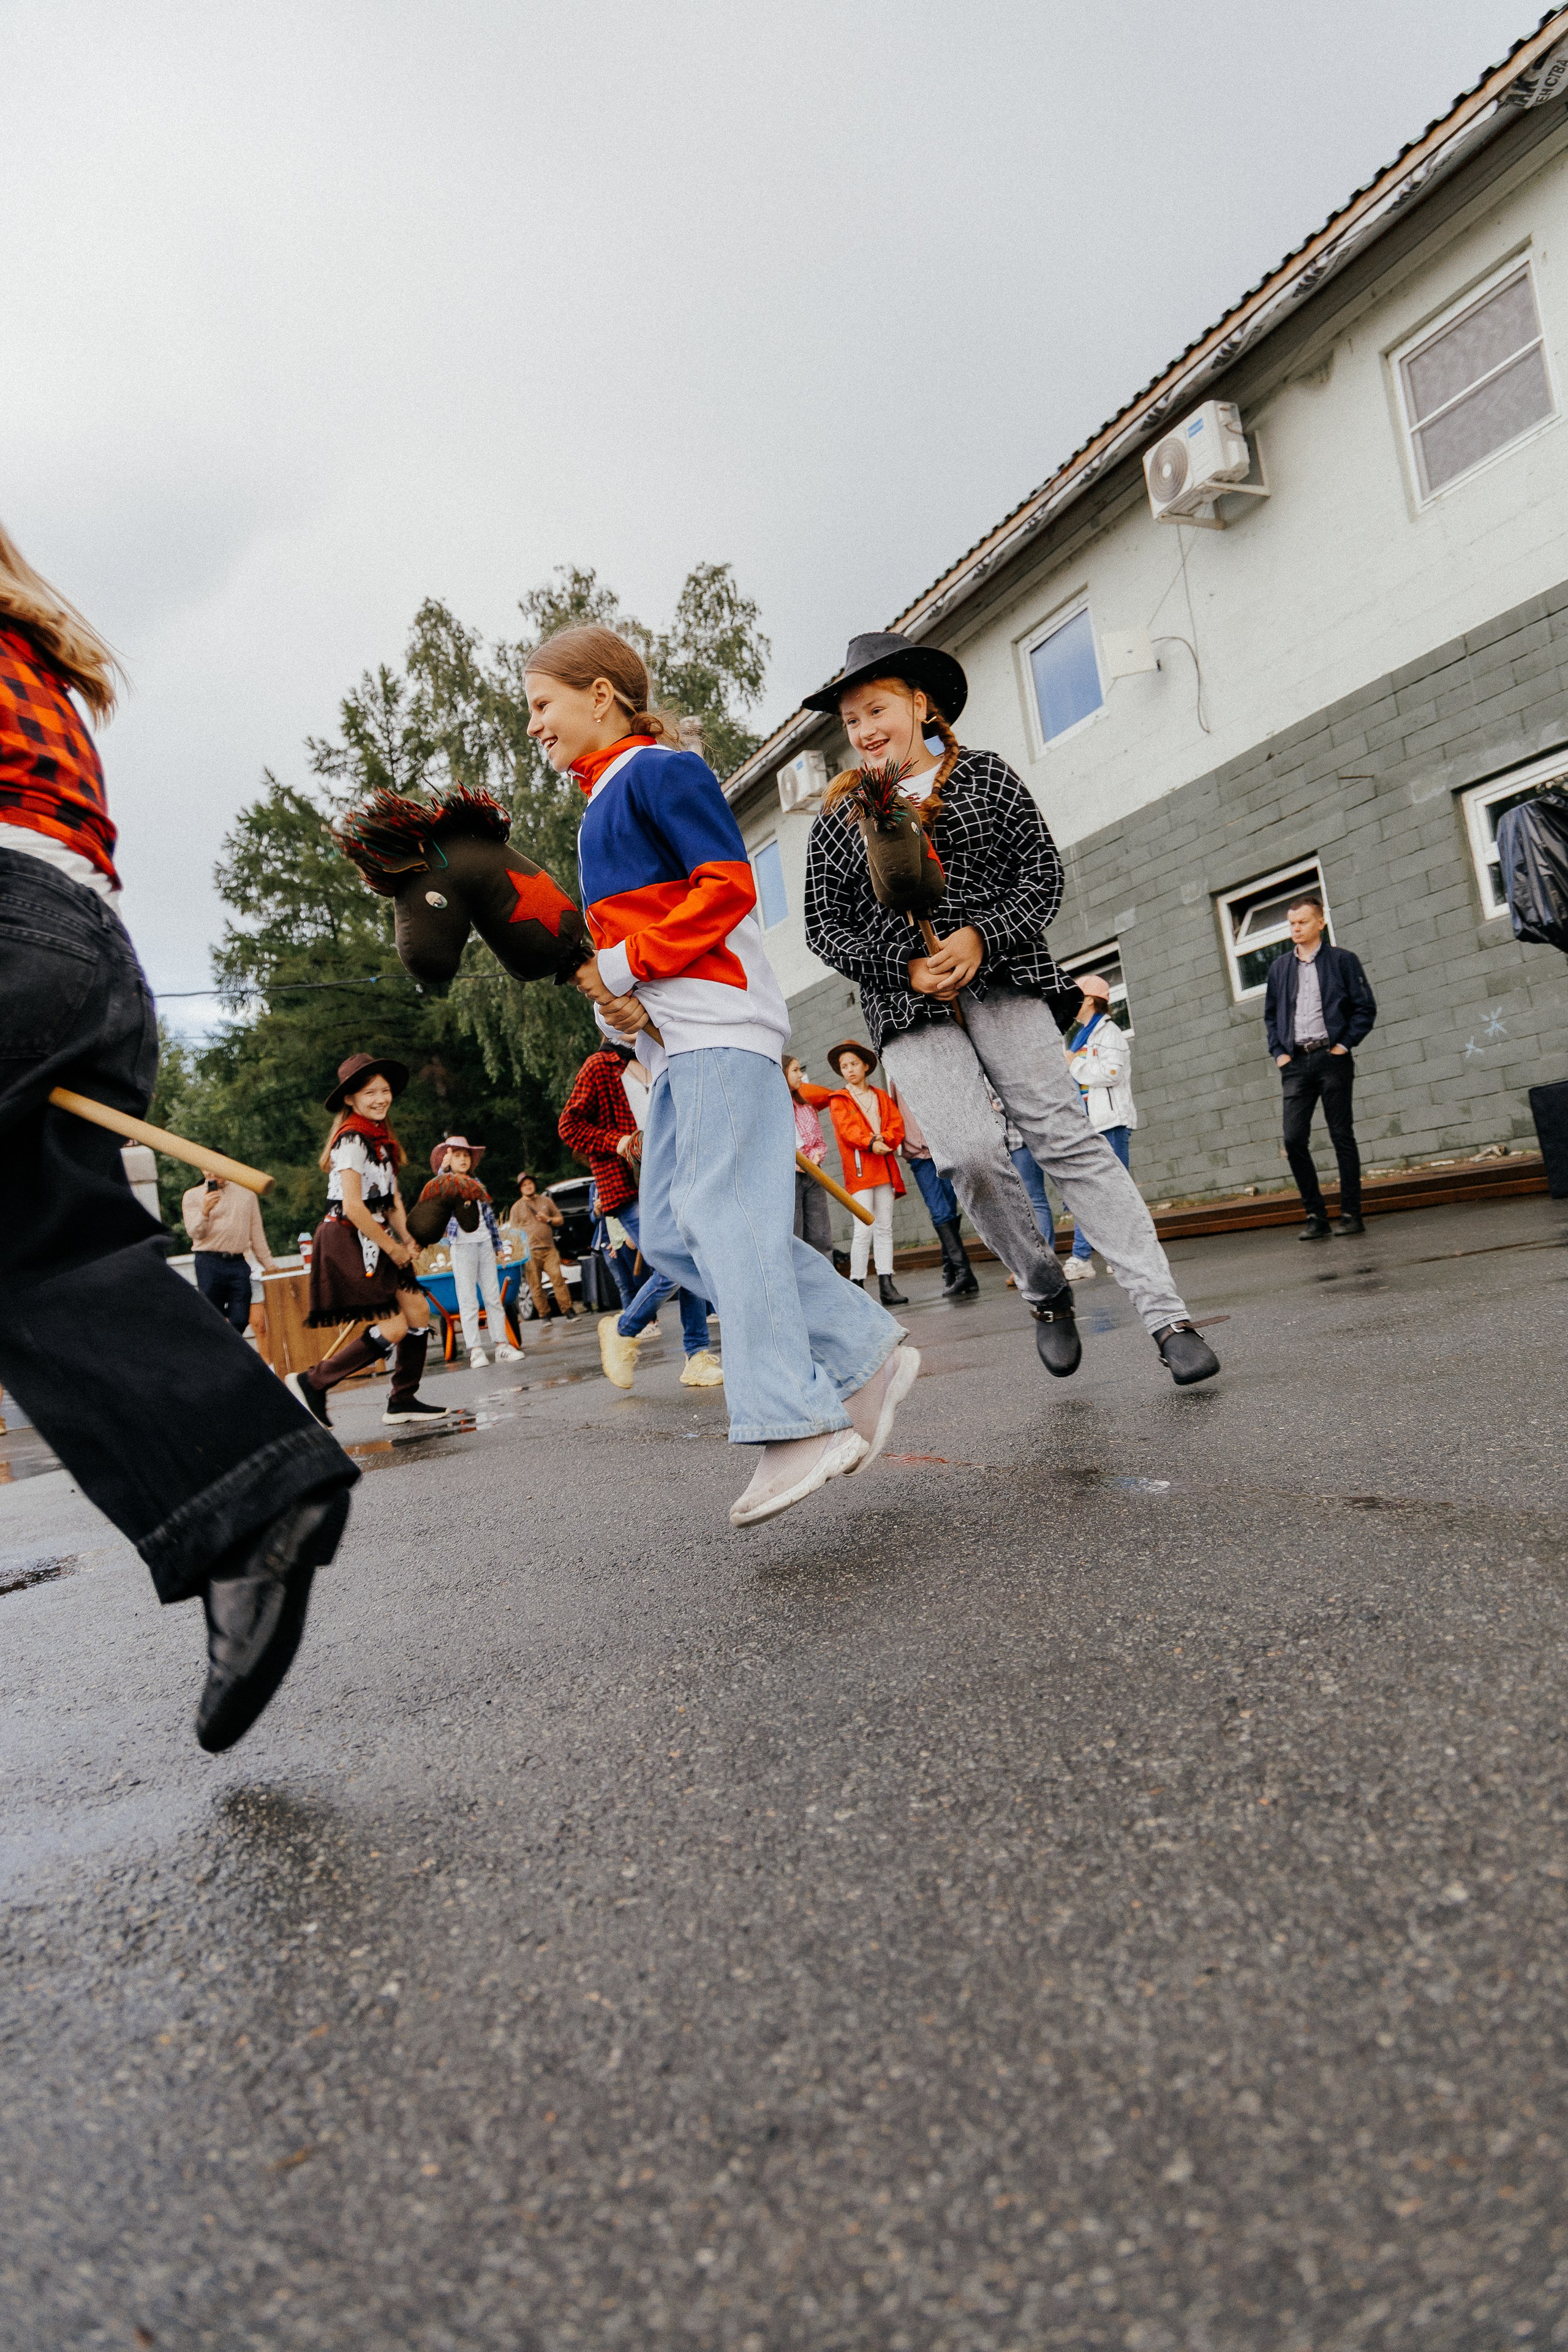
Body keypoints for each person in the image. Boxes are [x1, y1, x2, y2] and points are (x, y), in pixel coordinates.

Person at [0, 520, 356, 1753]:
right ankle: (246, 1503)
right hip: (82, 950)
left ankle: (248, 1492)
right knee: (44, 1261)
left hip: (8, 931)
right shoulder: (29, 642)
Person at [526, 622, 918, 1525]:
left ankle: (797, 1425)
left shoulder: (663, 770)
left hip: (720, 1031)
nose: (535, 727)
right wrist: (614, 1001)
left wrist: (624, 971)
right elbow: (635, 948)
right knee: (668, 1230)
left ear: (602, 695)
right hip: (674, 1046)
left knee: (720, 1219)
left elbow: (727, 885)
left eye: (543, 705)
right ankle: (865, 1352)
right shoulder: (599, 803)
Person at [802, 630, 1219, 1386]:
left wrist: (979, 935)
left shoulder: (986, 778)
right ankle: (1043, 1288)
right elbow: (822, 927)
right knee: (967, 1155)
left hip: (1008, 982)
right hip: (909, 1010)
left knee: (1066, 1141)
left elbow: (1042, 876)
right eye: (851, 719)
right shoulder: (837, 820)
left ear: (919, 705)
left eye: (877, 709)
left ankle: (1167, 1317)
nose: (863, 730)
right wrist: (901, 964)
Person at [287, 1054, 452, 1430]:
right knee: (393, 1327)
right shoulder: (351, 1140)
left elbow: (391, 1203)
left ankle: (402, 1400)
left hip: (375, 1234)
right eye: (370, 1092)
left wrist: (409, 1240)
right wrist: (393, 1248)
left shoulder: (383, 1141)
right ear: (351, 1098)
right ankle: (312, 1381)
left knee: (418, 1314)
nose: (381, 1098)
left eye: (385, 1090)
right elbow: (354, 1207)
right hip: (347, 1236)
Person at [1264, 895, 1378, 1240]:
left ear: (1320, 923)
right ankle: (1316, 1216)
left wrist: (1344, 1045)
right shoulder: (1280, 967)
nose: (1296, 929)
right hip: (1295, 1062)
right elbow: (1271, 1016)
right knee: (1294, 1138)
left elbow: (1364, 1008)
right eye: (1292, 923)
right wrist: (1280, 1053)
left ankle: (1350, 1214)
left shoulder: (1343, 961)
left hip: (1333, 1059)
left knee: (1341, 1135)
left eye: (1302, 922)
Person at [794, 1043, 909, 1305]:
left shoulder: (881, 1096)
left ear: (866, 1066)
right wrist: (872, 1142)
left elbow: (896, 1124)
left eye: (854, 1064)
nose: (849, 1070)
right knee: (863, 1230)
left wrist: (886, 1140)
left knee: (884, 1229)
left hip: (885, 1167)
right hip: (860, 1172)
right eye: (844, 1067)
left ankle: (887, 1284)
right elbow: (848, 1131)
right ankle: (857, 1284)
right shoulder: (839, 1100)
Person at [1062, 975, 1135, 1282]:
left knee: (1113, 1192)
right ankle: (1084, 1256)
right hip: (1090, 1124)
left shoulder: (1109, 1034)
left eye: (1076, 996)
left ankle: (1118, 1255)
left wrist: (1073, 1064)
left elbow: (1111, 1074)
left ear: (1090, 999)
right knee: (1088, 1191)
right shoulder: (1082, 1037)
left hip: (1112, 1123)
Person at [428, 1136, 524, 1366]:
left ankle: (501, 1345)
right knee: (467, 1299)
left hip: (484, 1244)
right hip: (462, 1246)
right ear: (449, 1161)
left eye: (466, 1156)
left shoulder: (477, 1183)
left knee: (493, 1297)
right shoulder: (448, 1183)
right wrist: (443, 1167)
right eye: (457, 1156)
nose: (463, 1160)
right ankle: (476, 1350)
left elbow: (489, 1218)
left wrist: (498, 1248)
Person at [887, 1074, 978, 1298]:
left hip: (943, 1148)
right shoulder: (895, 1078)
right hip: (919, 1154)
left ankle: (953, 1271)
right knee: (939, 1211)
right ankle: (964, 1272)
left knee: (950, 1209)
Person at [181, 1171, 279, 1332]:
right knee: (213, 1317)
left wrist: (270, 1266)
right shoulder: (192, 1195)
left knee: (240, 1318)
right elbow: (194, 1233)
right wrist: (205, 1211)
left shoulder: (247, 1194)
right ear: (203, 1169)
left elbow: (257, 1235)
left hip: (238, 1262)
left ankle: (231, 1349)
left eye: (217, 1169)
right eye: (208, 1169)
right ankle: (221, 1354)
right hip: (208, 1261)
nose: (213, 1174)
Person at [783, 1055, 834, 1259]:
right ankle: (801, 1285)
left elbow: (819, 1142)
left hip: (813, 1173)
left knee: (820, 1232)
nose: (801, 1074)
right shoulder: (772, 1109)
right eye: (795, 1070)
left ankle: (826, 1283)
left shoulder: (806, 1107)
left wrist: (814, 1157)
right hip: (788, 1176)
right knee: (795, 1232)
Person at [509, 1172, 578, 1318]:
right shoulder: (516, 1208)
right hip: (530, 1253)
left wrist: (548, 1220)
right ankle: (544, 1315)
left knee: (558, 1279)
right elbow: (513, 1234)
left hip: (549, 1249)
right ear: (520, 1189)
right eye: (525, 1185)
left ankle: (568, 1311)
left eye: (530, 1183)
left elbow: (560, 1220)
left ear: (534, 1185)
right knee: (535, 1285)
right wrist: (518, 1253)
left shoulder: (546, 1201)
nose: (528, 1187)